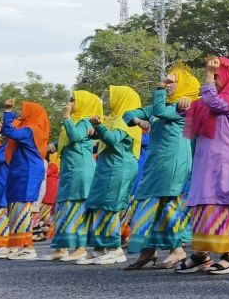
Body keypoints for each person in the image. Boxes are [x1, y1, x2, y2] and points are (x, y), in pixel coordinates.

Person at [123, 66, 199, 269]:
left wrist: (158, 87)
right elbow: (128, 114)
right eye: (166, 81)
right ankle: (148, 251)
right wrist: (138, 120)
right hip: (155, 161)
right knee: (146, 203)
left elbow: (159, 112)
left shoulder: (186, 106)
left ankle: (177, 249)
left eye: (171, 81)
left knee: (168, 202)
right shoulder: (164, 104)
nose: (166, 84)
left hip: (174, 159)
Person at [176, 57, 229, 274]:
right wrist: (183, 105)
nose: (213, 79)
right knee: (202, 203)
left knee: (222, 203)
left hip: (226, 160)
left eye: (217, 76)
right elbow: (191, 114)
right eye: (212, 76)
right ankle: (201, 254)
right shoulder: (207, 100)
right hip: (205, 160)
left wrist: (206, 75)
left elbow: (212, 103)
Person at [80, 86, 143, 266]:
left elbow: (112, 139)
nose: (110, 100)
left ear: (122, 98)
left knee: (110, 205)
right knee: (98, 204)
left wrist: (98, 127)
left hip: (119, 165)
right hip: (108, 165)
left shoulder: (126, 119)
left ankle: (115, 249)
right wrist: (97, 130)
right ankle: (100, 248)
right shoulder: (113, 119)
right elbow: (103, 138)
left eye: (113, 96)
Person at [48, 91, 102, 262]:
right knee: (65, 206)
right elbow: (69, 139)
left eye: (74, 99)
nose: (70, 102)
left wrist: (66, 117)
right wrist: (55, 145)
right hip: (70, 168)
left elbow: (76, 136)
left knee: (77, 206)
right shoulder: (76, 120)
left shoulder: (85, 121)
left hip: (80, 169)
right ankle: (61, 247)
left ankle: (80, 247)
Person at [0, 99, 50, 261]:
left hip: (28, 172)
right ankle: (15, 246)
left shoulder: (33, 129)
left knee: (22, 208)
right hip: (20, 171)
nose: (22, 113)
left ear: (33, 113)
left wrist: (8, 112)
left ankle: (28, 247)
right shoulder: (28, 127)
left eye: (25, 110)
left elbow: (11, 132)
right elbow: (12, 129)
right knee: (15, 208)